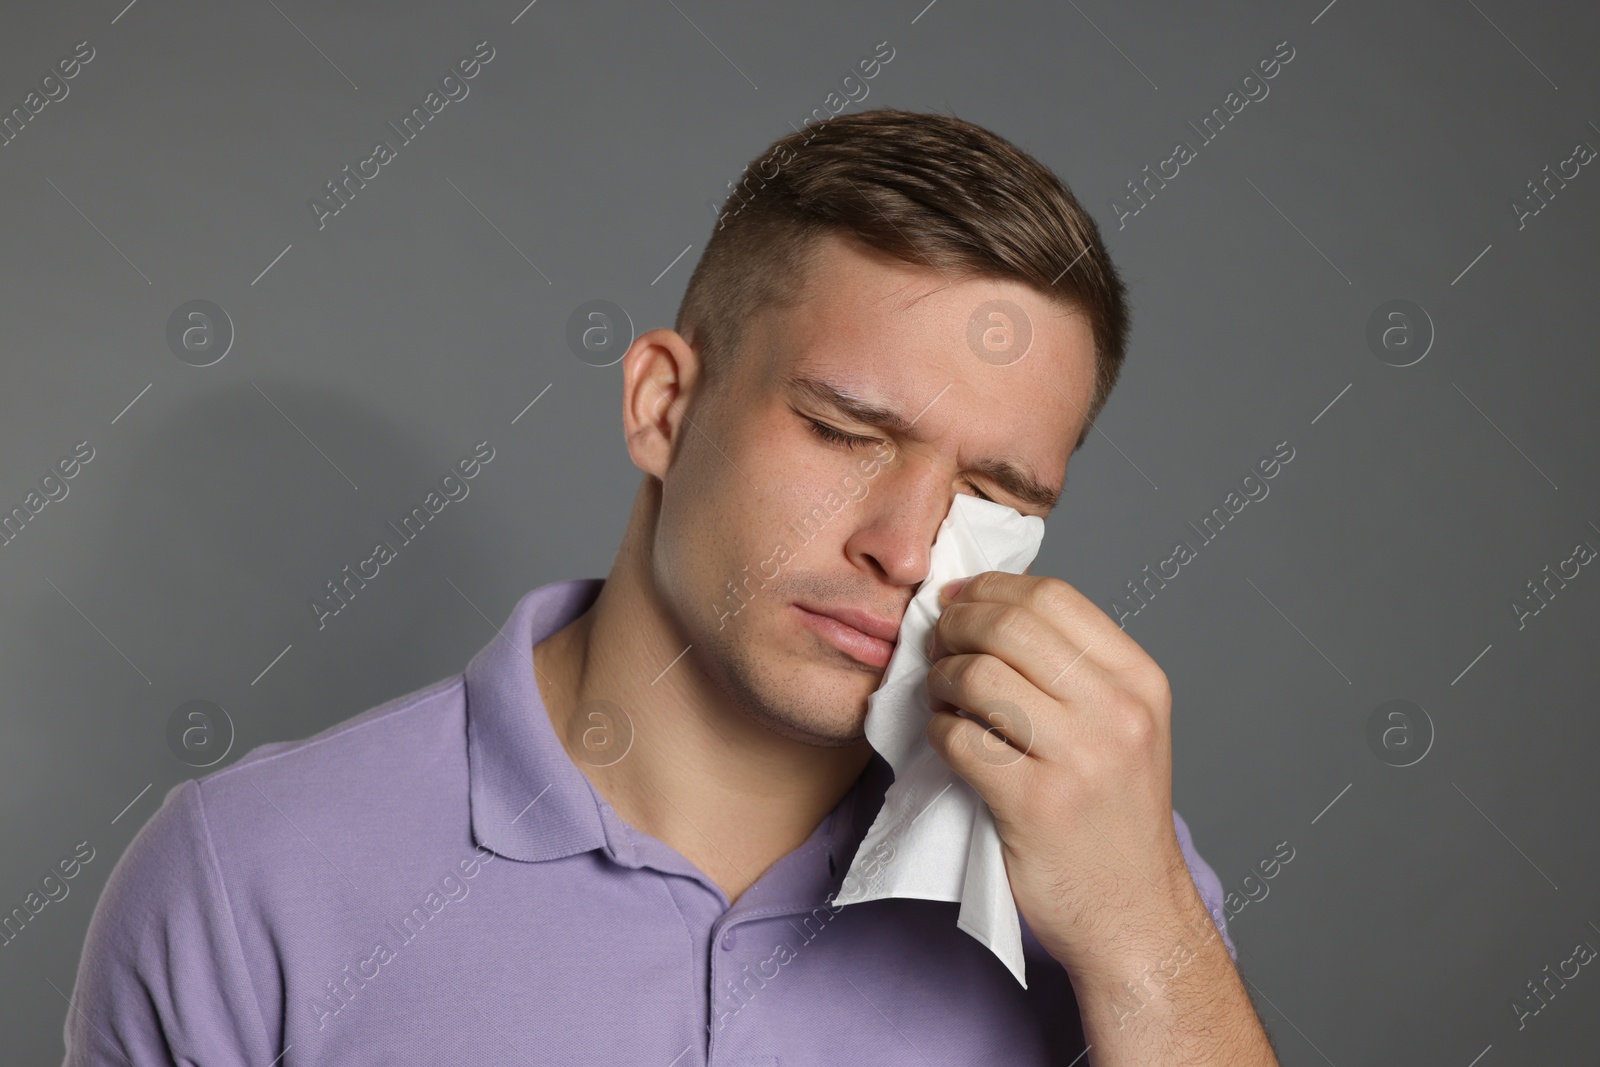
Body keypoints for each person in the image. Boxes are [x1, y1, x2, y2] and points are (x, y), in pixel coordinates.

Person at [62, 108, 1277, 1065]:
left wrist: (1146, 935)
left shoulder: (1109, 864)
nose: (905, 549)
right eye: (845, 430)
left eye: (997, 493)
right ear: (662, 404)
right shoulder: (246, 878)